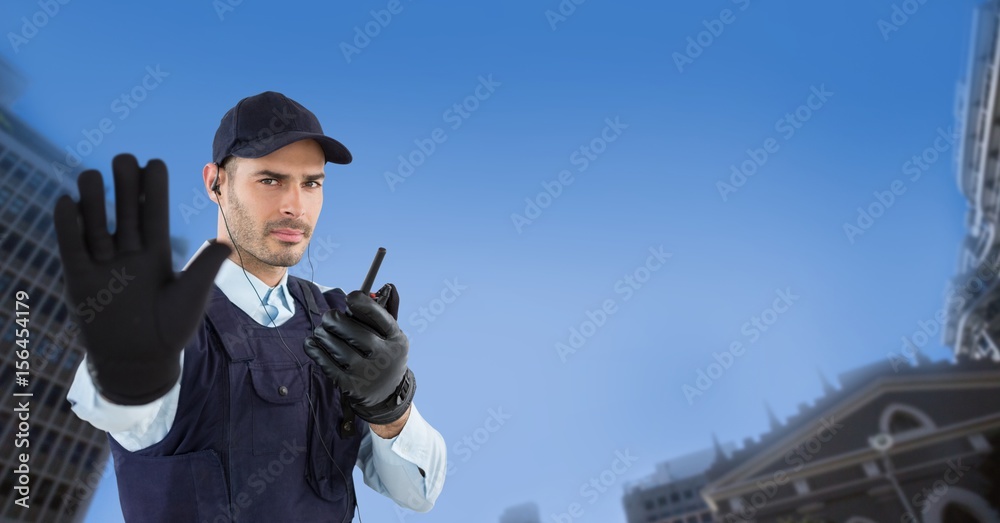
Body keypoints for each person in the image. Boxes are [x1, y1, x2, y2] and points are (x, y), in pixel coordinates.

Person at [57, 91, 446, 522]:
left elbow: (418, 494)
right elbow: (109, 404)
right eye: (270, 180)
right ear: (214, 182)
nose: (295, 205)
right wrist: (128, 369)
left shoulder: (339, 322)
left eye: (311, 183)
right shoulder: (167, 325)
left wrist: (390, 407)